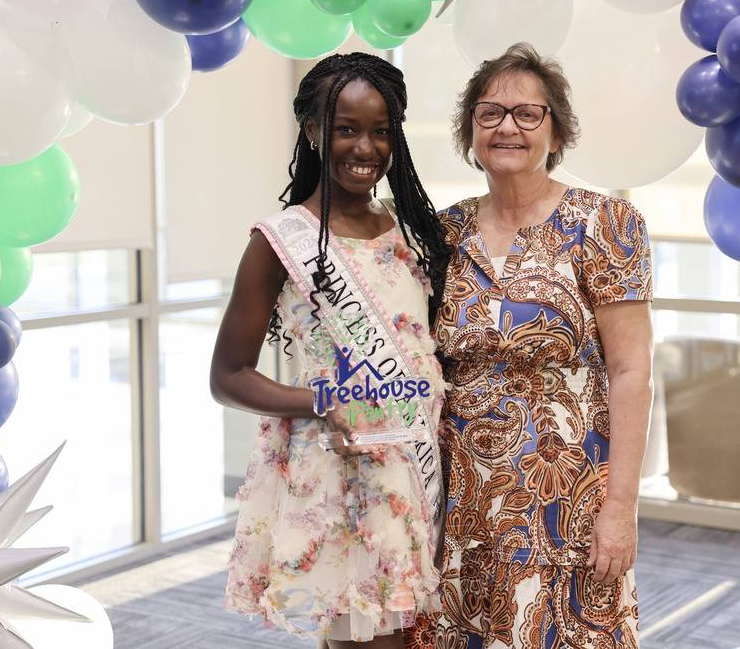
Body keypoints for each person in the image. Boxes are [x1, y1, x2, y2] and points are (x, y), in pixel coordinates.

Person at [210, 52, 451, 648]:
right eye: (346, 129)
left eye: (380, 131)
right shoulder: (278, 242)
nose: (365, 148)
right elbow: (228, 376)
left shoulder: (411, 230)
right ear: (313, 131)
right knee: (362, 635)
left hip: (412, 465)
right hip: (336, 474)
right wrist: (321, 401)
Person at [427, 42, 654, 649]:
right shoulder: (440, 233)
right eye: (490, 112)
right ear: (470, 131)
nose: (508, 126)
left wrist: (621, 508)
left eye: (529, 113)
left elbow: (632, 372)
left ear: (556, 133)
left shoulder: (606, 224)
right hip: (464, 501)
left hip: (569, 502)